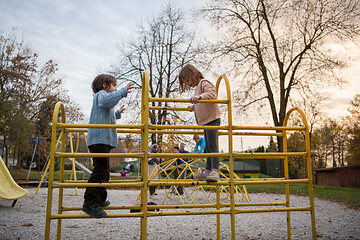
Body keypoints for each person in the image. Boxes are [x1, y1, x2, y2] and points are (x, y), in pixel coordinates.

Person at [82, 74, 134, 218]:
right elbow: (107, 102)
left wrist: (118, 113)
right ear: (105, 85)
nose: (116, 89)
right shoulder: (101, 95)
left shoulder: (104, 100)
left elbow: (108, 114)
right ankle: (90, 203)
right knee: (100, 171)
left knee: (104, 172)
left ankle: (99, 199)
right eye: (114, 86)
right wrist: (122, 91)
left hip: (103, 142)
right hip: (98, 141)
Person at [178, 63, 221, 182]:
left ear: (194, 74)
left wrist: (199, 98)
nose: (188, 84)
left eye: (187, 80)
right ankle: (207, 172)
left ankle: (215, 172)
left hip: (212, 119)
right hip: (207, 121)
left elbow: (211, 94)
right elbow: (201, 101)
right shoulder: (198, 89)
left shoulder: (204, 82)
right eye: (185, 82)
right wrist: (194, 106)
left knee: (212, 144)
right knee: (207, 146)